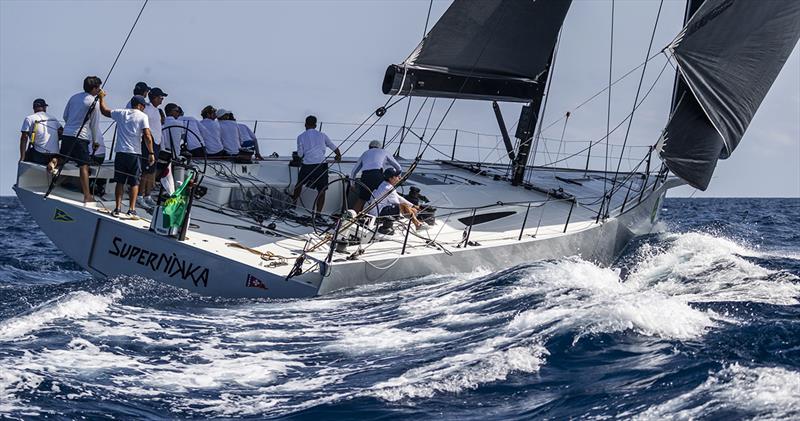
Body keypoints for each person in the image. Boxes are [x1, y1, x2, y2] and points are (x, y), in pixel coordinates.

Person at [98, 92, 154, 218]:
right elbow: (147, 136)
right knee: (134, 182)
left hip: (120, 152)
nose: (144, 107)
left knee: (120, 181)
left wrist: (101, 98)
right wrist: (151, 153)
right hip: (134, 153)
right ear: (139, 105)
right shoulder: (143, 116)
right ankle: (131, 210)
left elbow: (104, 111)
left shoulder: (121, 113)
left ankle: (117, 208)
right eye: (143, 105)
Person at [61, 76, 102, 203]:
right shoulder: (94, 103)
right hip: (81, 137)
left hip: (67, 134)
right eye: (98, 87)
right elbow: (94, 124)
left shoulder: (74, 97)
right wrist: (95, 141)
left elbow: (65, 116)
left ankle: (52, 163)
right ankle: (87, 195)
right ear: (94, 88)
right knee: (84, 165)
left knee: (63, 157)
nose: (100, 90)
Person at [292, 115, 341, 217]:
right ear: (315, 125)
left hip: (307, 165)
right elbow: (334, 148)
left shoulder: (300, 137)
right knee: (321, 190)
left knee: (299, 185)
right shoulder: (322, 135)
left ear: (305, 124)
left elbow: (300, 154)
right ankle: (318, 213)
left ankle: (293, 205)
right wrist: (338, 155)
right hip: (321, 165)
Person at [350, 140, 401, 212]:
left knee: (361, 199)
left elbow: (354, 171)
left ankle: (352, 217)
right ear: (380, 147)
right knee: (379, 198)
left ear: (369, 147)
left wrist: (352, 185)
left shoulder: (365, 153)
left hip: (365, 176)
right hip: (377, 175)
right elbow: (398, 167)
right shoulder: (384, 151)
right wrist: (398, 178)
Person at [139, 87, 167, 206]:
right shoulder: (148, 109)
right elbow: (145, 127)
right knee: (146, 170)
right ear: (154, 98)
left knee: (152, 171)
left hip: (156, 143)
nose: (162, 100)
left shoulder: (156, 110)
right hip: (148, 143)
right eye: (161, 98)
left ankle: (147, 195)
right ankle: (140, 195)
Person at [19, 98, 62, 172]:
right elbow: (62, 132)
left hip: (40, 155)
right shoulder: (53, 118)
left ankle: (30, 177)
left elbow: (24, 138)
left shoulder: (29, 118)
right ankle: (55, 161)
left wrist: (22, 158)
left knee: (28, 155)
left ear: (34, 108)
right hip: (54, 154)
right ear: (45, 108)